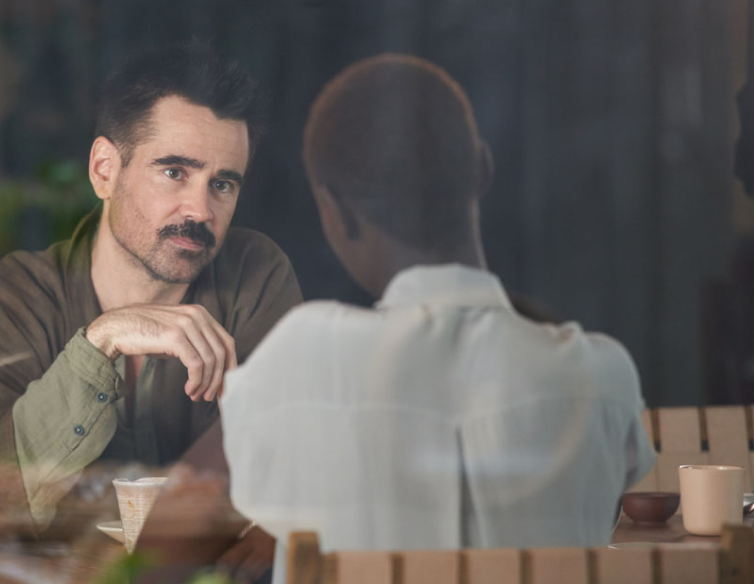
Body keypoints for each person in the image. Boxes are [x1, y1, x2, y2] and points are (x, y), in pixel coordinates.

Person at [220, 54, 657, 582]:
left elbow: (209, 503)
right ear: (483, 170)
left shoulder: (301, 358)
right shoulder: (602, 379)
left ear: (332, 210)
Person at [0, 42, 302, 543]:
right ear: (104, 170)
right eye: (174, 172)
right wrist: (99, 343)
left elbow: (291, 472)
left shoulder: (255, 277)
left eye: (223, 184)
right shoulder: (2, 301)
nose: (201, 209)